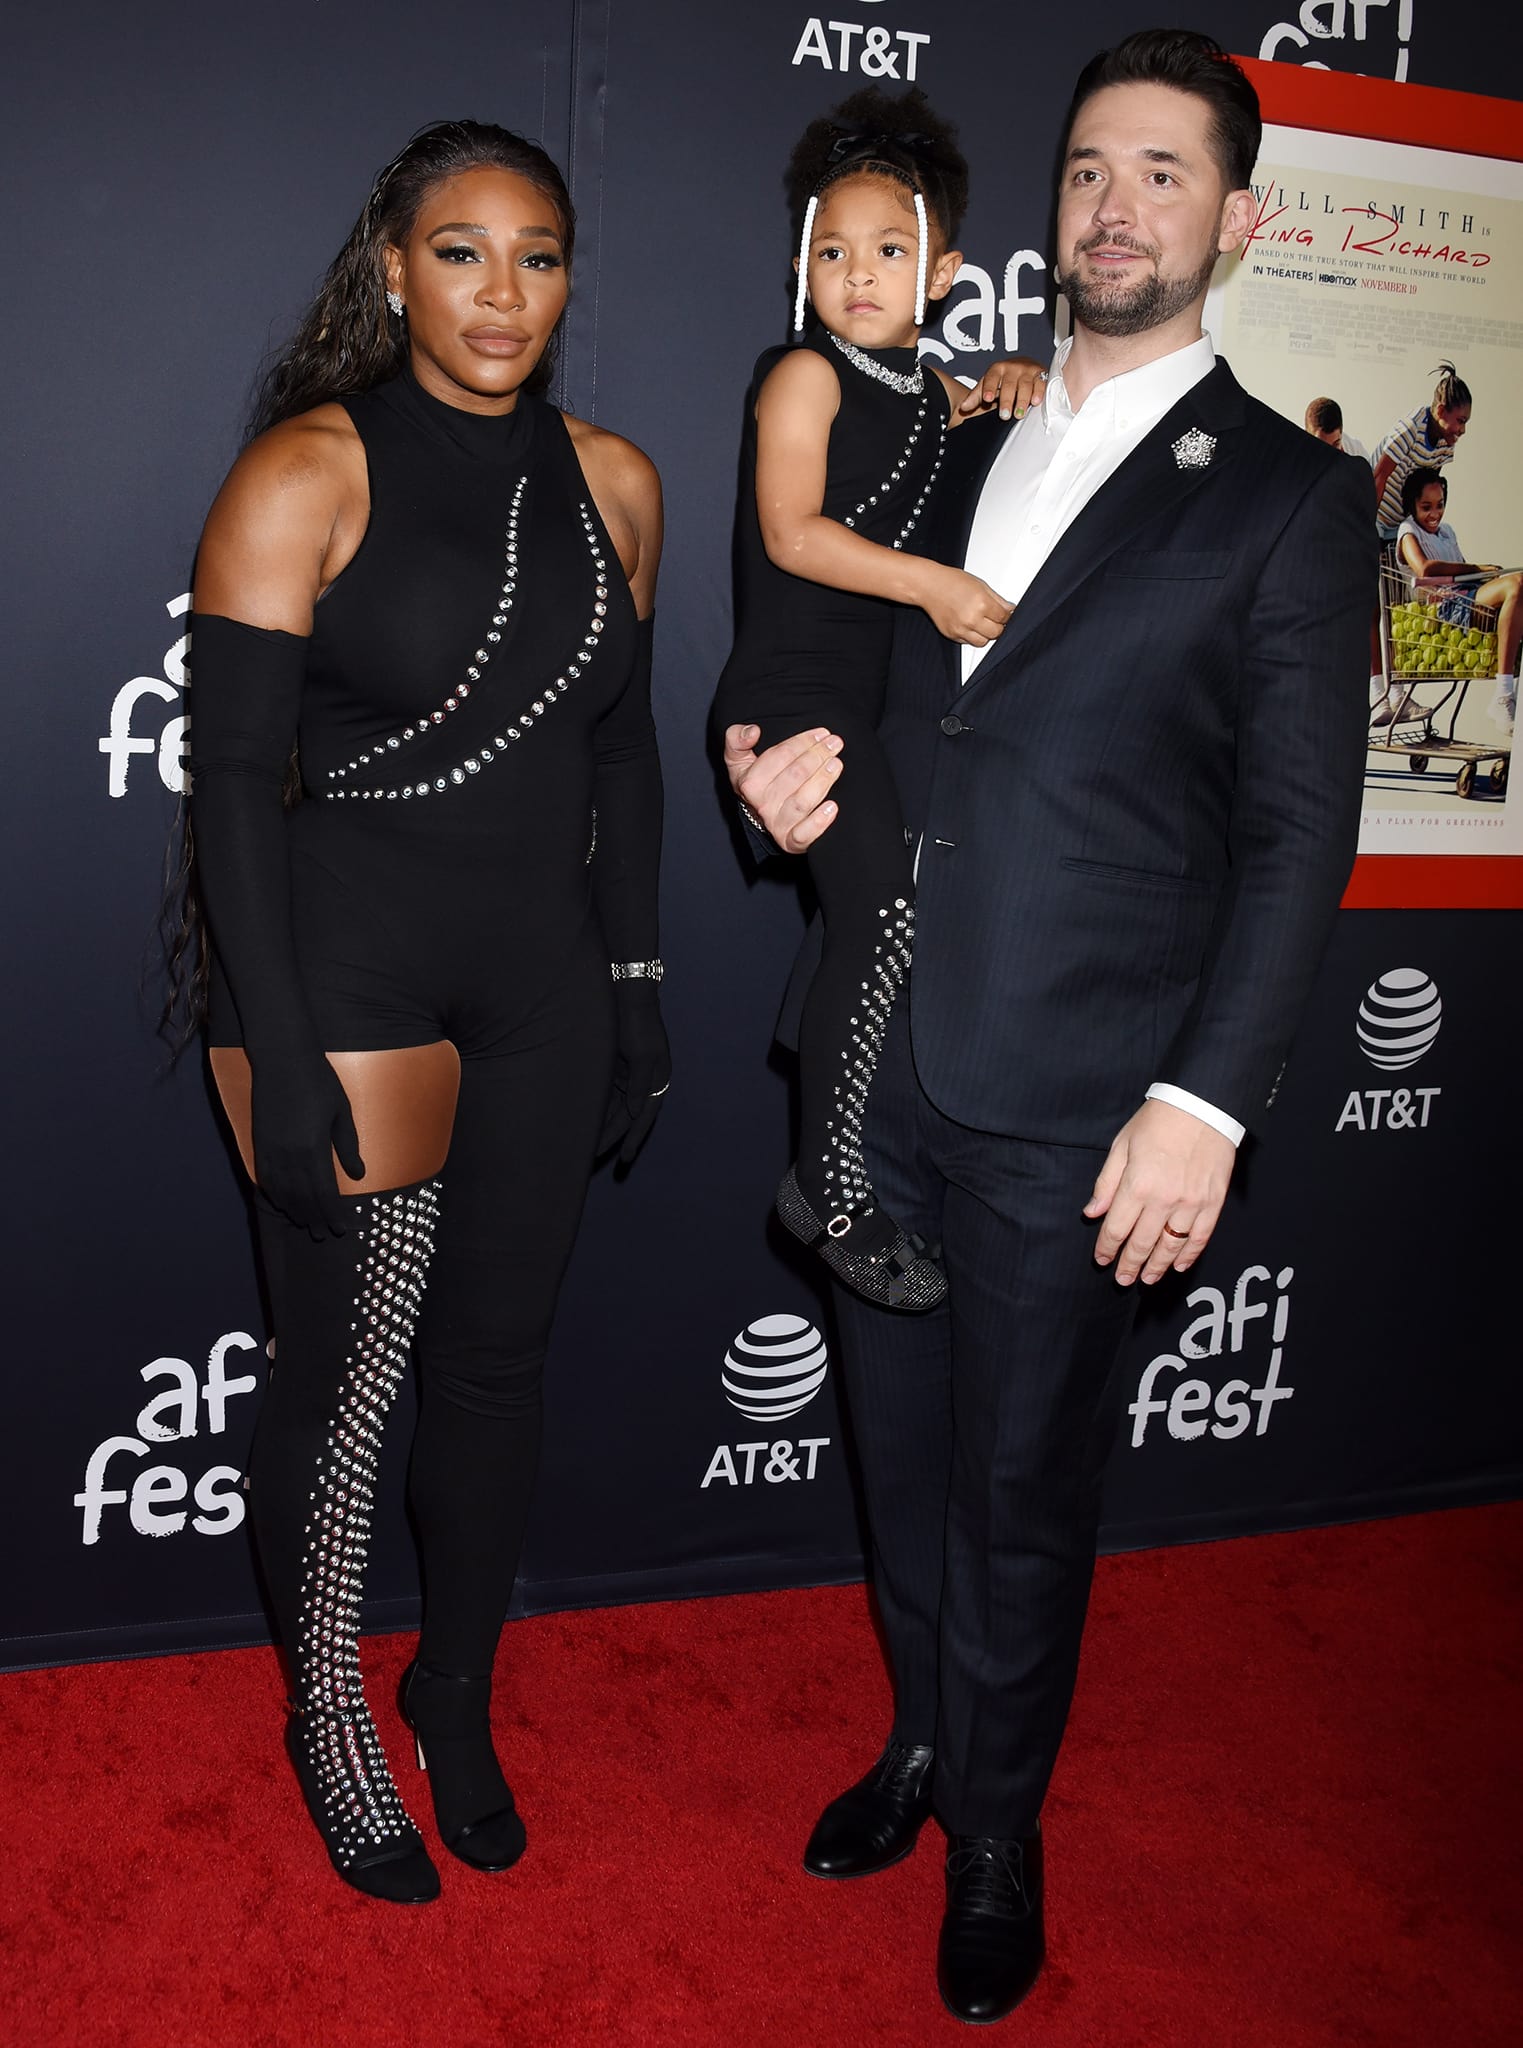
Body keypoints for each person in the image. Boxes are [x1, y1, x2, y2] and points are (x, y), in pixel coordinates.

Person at [724, 31, 1371, 2025]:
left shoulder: (1285, 495)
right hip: (877, 1056)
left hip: (1077, 1098)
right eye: (1087, 170)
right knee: (895, 1458)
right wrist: (772, 768)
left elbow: (1290, 836)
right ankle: (922, 1741)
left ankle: (995, 1829)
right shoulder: (946, 424)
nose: (1113, 205)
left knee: (1016, 1491)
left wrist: (1201, 1100)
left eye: (1160, 175)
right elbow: (844, 656)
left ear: (1232, 219)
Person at [186, 120, 667, 1904]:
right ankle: (326, 1710)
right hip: (353, 984)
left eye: (536, 255)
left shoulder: (616, 479)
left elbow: (619, 749)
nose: (500, 293)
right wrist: (282, 1041)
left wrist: (634, 981)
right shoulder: (304, 471)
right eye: (460, 252)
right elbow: (231, 785)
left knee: (493, 1366)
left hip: (540, 985)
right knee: (352, 1372)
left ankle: (449, 1693)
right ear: (392, 266)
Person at [713, 87, 1043, 1310]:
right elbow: (792, 533)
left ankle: (825, 1177)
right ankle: (827, 1189)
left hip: (861, 703)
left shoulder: (929, 385)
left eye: (888, 251)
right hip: (792, 692)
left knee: (892, 916)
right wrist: (938, 589)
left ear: (943, 271)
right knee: (886, 916)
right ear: (801, 267)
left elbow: (967, 431)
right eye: (831, 252)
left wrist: (1011, 379)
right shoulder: (799, 372)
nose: (856, 274)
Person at [1394, 467, 1517, 733]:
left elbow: (1464, 572)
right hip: (1445, 609)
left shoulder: (1447, 531)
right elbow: (1424, 569)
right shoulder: (1408, 531)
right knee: (1517, 585)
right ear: (1412, 504)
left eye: (1440, 505)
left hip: (1466, 595)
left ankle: (1508, 692)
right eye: (1426, 506)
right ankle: (1504, 693)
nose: (1434, 514)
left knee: (1518, 585)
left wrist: (1484, 574)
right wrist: (1478, 567)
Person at [1305, 395, 1368, 461]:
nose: (1330, 454)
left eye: (1336, 444)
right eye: (1322, 446)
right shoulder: (1298, 462)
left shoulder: (1356, 451)